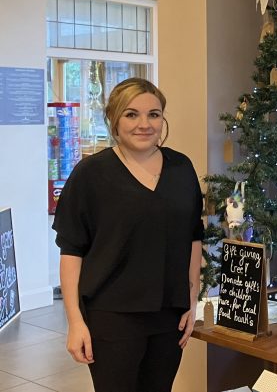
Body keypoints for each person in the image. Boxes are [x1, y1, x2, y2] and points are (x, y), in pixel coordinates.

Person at [53, 78, 204, 392]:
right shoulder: (90, 175)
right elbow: (71, 251)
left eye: (154, 114)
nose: (144, 124)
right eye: (131, 114)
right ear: (114, 119)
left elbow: (192, 237)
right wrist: (75, 322)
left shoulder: (181, 168)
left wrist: (191, 300)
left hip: (169, 315)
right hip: (111, 316)